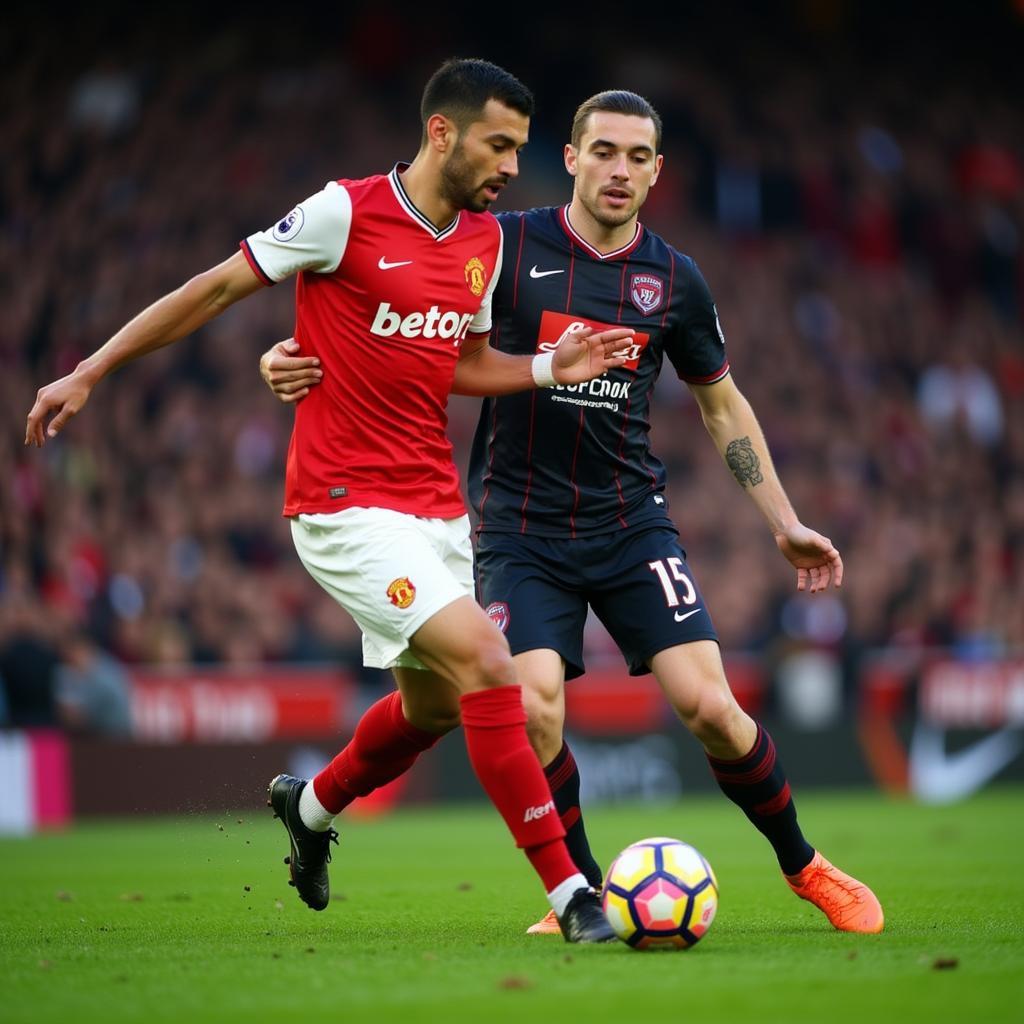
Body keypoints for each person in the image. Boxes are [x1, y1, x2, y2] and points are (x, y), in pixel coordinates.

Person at [24, 59, 642, 944]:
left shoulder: (484, 243)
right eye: (499, 144)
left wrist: (550, 366)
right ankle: (573, 895)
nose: (512, 165)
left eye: (518, 148)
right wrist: (90, 371)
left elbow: (457, 364)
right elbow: (214, 287)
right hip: (344, 504)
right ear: (443, 133)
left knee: (432, 708)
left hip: (436, 506)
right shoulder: (343, 211)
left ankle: (309, 809)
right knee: (488, 662)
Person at [260, 89, 884, 936]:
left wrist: (783, 519)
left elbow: (723, 407)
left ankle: (806, 866)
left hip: (633, 524)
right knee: (535, 704)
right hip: (519, 527)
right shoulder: (504, 245)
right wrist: (291, 356)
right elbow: (393, 321)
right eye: (604, 151)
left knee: (710, 707)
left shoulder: (674, 279)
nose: (619, 170)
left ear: (657, 171)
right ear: (572, 158)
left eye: (637, 156)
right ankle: (582, 893)